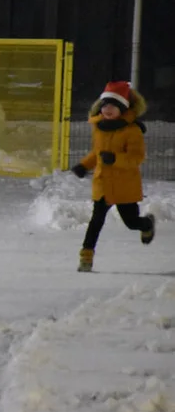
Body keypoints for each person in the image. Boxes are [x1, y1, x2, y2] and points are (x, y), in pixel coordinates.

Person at [70, 80, 155, 272]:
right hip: (103, 184)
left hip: (124, 185)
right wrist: (84, 165)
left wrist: (115, 159)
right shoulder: (99, 127)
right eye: (105, 105)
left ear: (122, 109)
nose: (107, 110)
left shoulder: (132, 131)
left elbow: (136, 158)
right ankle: (86, 257)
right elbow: (98, 153)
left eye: (113, 106)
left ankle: (146, 224)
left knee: (131, 223)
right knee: (96, 220)